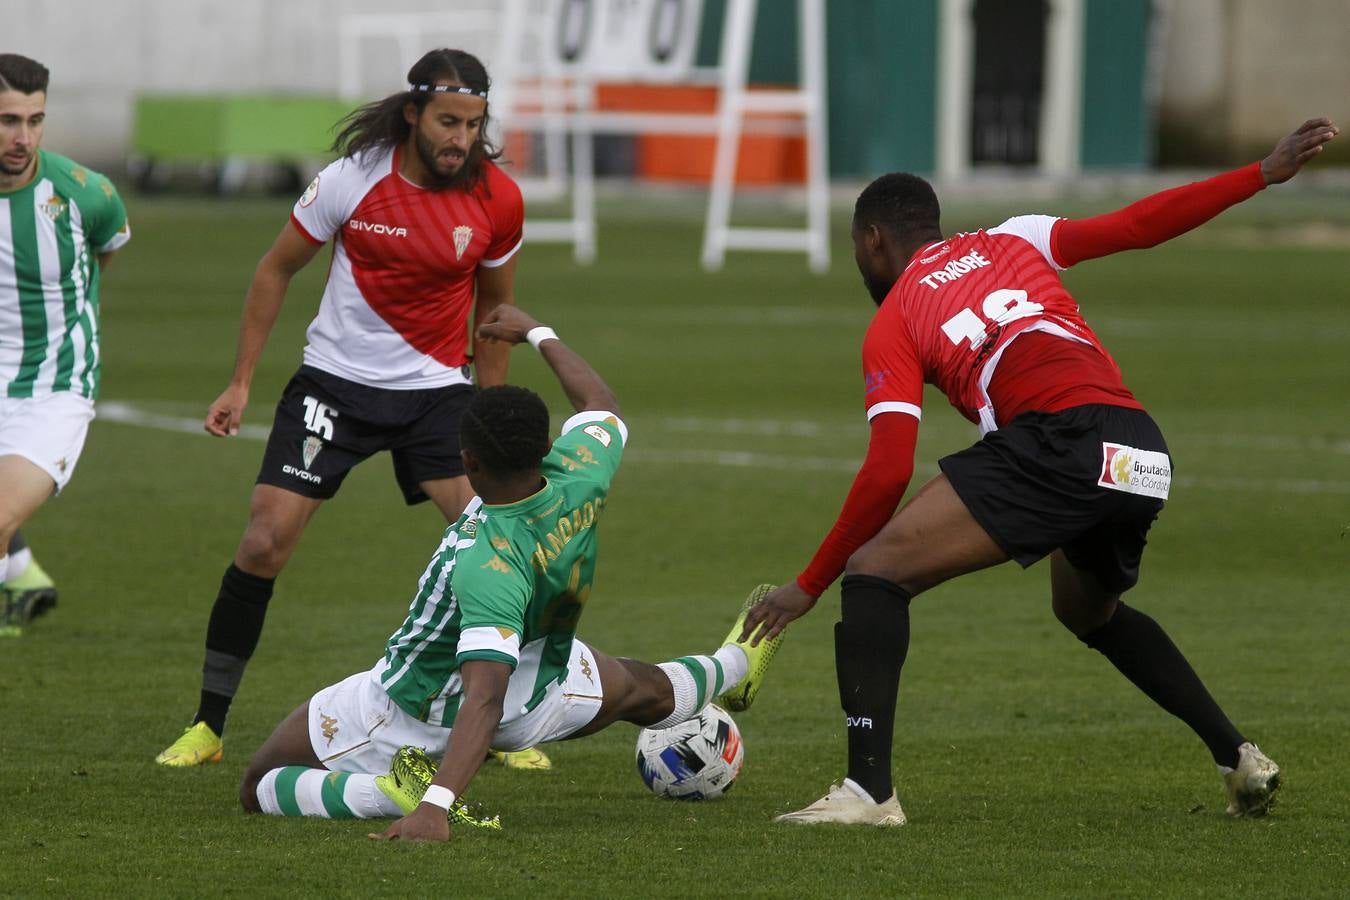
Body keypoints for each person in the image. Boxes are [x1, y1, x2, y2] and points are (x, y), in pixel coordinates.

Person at [741, 118, 1340, 825]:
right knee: (1085, 610)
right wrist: (1259, 174)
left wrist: (806, 587)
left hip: (1062, 439)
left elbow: (885, 472)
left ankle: (869, 793)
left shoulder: (896, 315)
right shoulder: (1013, 238)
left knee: (874, 572)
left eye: (856, 248)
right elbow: (1137, 225)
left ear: (873, 240)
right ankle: (1237, 758)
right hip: (1139, 449)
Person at [236, 305, 782, 841]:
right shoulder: (580, 472)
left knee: (260, 782)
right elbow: (600, 402)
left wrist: (437, 805)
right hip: (550, 683)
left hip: (414, 710)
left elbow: (483, 699)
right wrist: (538, 332)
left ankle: (391, 791)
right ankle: (738, 659)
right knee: (644, 687)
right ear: (547, 447)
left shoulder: (487, 559)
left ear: (468, 462)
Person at [156, 48, 549, 769]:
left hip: (436, 394)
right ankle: (208, 726)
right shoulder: (351, 180)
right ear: (413, 114)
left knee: (497, 552)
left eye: (473, 122)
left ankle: (502, 724)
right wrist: (240, 382)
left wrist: (489, 415)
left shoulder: (498, 199)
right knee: (263, 543)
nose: (460, 137)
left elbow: (494, 310)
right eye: (447, 121)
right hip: (333, 387)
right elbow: (276, 268)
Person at [0, 54, 131, 637]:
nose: (22, 137)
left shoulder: (85, 193)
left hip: (53, 389)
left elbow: (105, 250)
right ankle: (23, 576)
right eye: (7, 120)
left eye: (34, 120)